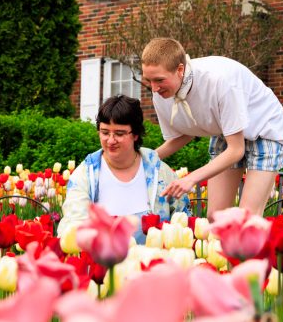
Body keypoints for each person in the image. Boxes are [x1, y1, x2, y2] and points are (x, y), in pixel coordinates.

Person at [141, 37, 283, 219]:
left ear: (180, 70)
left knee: (247, 218)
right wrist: (143, 159)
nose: (154, 88)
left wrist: (190, 178)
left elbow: (236, 150)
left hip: (264, 129)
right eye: (149, 81)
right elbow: (185, 134)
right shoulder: (161, 93)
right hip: (225, 131)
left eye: (159, 80)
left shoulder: (219, 81)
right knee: (215, 217)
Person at [57, 94, 188, 244]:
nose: (111, 140)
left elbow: (182, 219)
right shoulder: (85, 175)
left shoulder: (160, 173)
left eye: (119, 133)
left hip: (152, 263)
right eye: (105, 132)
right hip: (101, 264)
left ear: (136, 134)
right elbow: (73, 228)